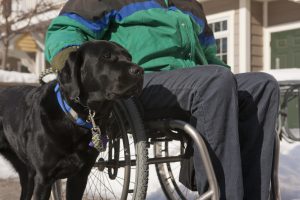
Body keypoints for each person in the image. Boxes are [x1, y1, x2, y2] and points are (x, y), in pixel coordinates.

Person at [44, 0, 280, 199]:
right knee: (215, 81)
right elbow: (64, 32)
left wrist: (232, 87)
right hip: (140, 82)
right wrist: (74, 78)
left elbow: (210, 58)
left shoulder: (192, 6)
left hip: (197, 82)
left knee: (262, 85)